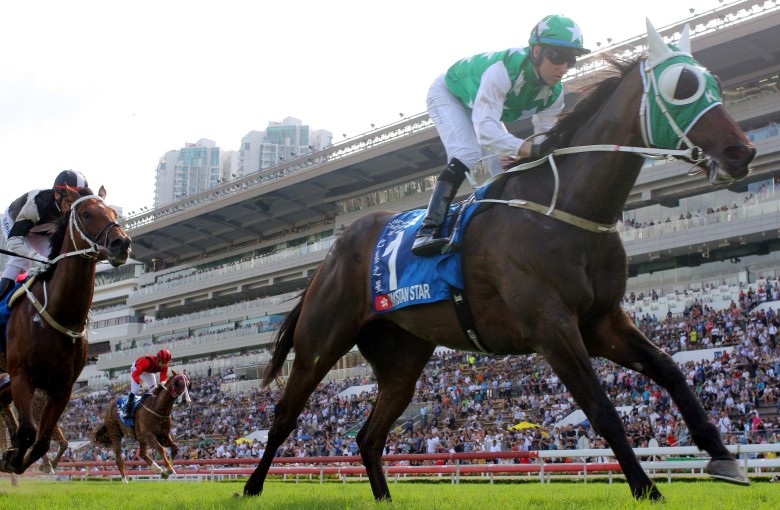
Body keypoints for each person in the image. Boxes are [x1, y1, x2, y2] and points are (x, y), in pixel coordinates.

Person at [412, 14, 590, 256]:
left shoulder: (554, 94)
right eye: (557, 56)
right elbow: (487, 132)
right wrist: (531, 151)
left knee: (503, 170)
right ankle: (428, 230)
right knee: (467, 153)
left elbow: (542, 141)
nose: (563, 67)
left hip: (480, 104)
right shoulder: (504, 71)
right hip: (449, 93)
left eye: (571, 60)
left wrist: (539, 154)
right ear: (536, 51)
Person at [0, 170, 90, 300]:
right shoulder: (37, 205)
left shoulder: (70, 210)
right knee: (20, 260)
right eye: (70, 203)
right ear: (58, 195)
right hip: (15, 220)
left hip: (42, 230)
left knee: (53, 259)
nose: (73, 210)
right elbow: (13, 241)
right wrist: (34, 256)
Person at [124, 349, 172, 416]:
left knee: (153, 389)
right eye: (163, 362)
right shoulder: (146, 362)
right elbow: (135, 375)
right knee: (135, 390)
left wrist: (162, 384)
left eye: (166, 363)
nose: (165, 365)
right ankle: (127, 410)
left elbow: (163, 379)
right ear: (158, 360)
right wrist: (142, 383)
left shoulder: (165, 366)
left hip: (148, 371)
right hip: (137, 368)